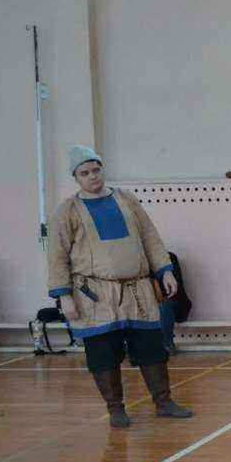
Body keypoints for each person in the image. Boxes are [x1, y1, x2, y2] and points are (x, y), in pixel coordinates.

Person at [47, 146, 194, 429]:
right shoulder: (67, 211)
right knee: (103, 351)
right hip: (95, 295)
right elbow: (56, 256)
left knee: (151, 347)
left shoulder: (126, 200)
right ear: (76, 177)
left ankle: (163, 402)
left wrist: (165, 271)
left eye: (96, 170)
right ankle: (115, 409)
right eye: (85, 173)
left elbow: (150, 237)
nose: (93, 176)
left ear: (102, 168)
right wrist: (63, 295)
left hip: (137, 290)